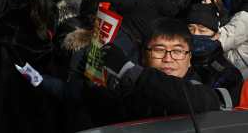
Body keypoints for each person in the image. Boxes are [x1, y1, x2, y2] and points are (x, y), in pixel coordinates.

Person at [101, 18, 241, 119]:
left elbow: (195, 101)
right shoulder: (126, 90)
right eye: (159, 50)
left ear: (189, 58)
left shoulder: (205, 87)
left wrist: (130, 71)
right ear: (144, 56)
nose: (168, 59)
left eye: (177, 51)